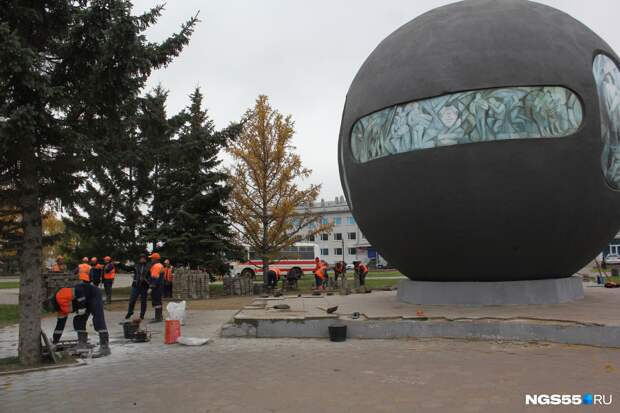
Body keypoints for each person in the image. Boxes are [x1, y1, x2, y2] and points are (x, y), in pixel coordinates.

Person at [45, 282, 110, 356]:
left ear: (52, 303)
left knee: (98, 320)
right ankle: (82, 344)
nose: (52, 311)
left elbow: (79, 290)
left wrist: (81, 307)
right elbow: (60, 327)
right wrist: (54, 342)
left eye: (51, 309)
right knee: (78, 321)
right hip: (84, 303)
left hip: (93, 294)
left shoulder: (60, 295)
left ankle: (105, 347)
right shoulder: (61, 310)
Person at [121, 253, 150, 320]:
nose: (142, 259)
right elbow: (127, 268)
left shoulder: (148, 266)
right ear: (139, 259)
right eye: (141, 258)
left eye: (143, 258)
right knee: (132, 300)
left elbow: (152, 276)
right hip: (136, 286)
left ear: (145, 259)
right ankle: (130, 312)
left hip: (144, 286)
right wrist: (119, 264)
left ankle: (142, 314)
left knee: (143, 301)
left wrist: (150, 285)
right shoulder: (136, 266)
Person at [147, 252, 164, 323]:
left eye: (152, 259)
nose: (151, 260)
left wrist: (151, 287)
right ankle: (159, 316)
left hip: (156, 286)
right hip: (159, 286)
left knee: (156, 301)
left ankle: (158, 318)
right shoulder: (160, 265)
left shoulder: (156, 266)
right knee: (158, 301)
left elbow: (154, 278)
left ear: (155, 259)